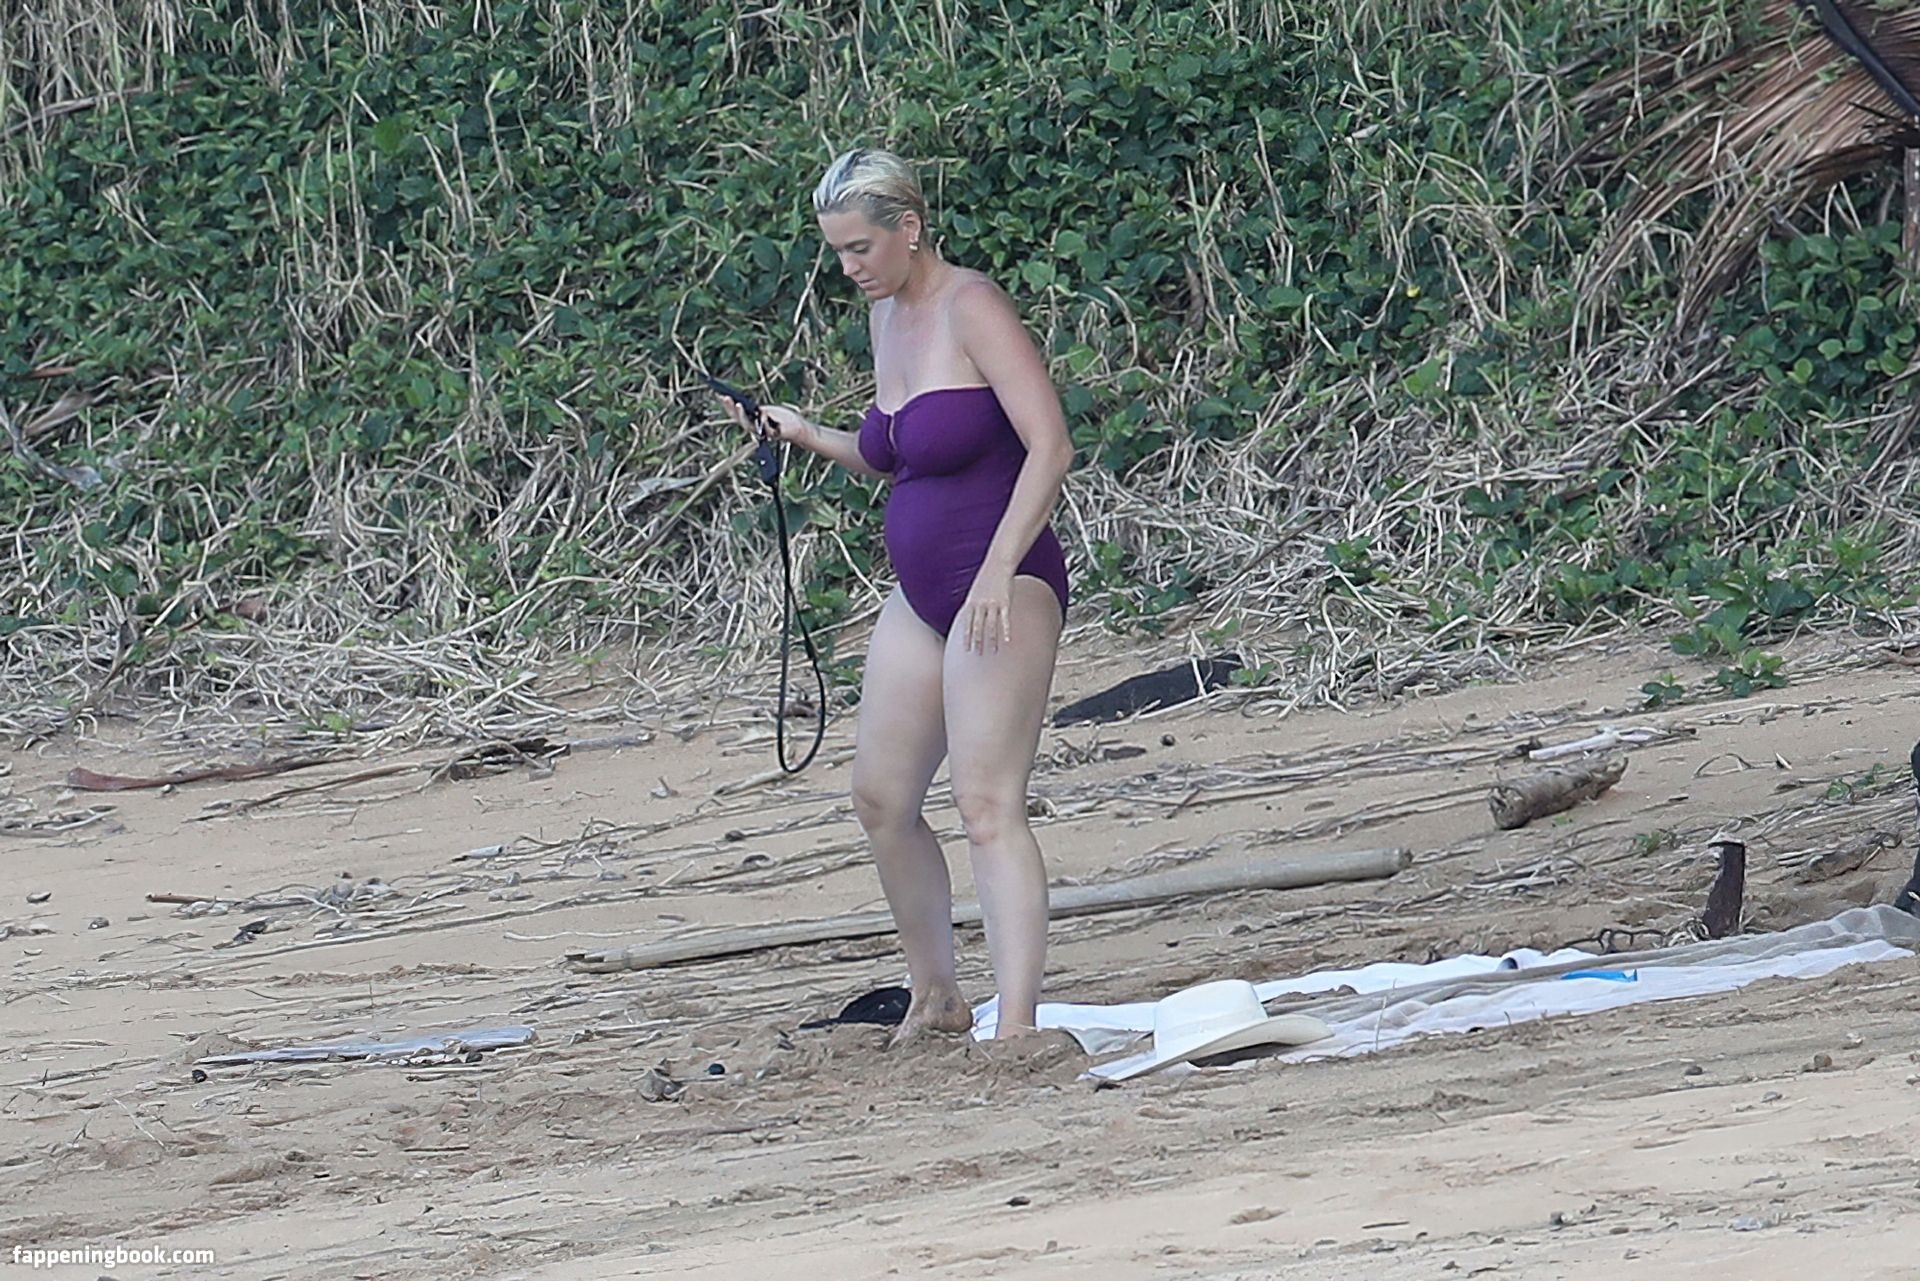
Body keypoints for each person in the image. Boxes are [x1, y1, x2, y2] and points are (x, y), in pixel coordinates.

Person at [721, 147, 1074, 1044]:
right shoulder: (886, 317)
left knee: (986, 804)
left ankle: (1018, 1025)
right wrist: (806, 433)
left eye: (860, 248)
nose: (849, 268)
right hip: (924, 595)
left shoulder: (972, 305)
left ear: (908, 228)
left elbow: (1050, 445)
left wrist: (998, 566)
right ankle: (937, 993)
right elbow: (894, 457)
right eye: (837, 251)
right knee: (881, 797)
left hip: (1005, 583)